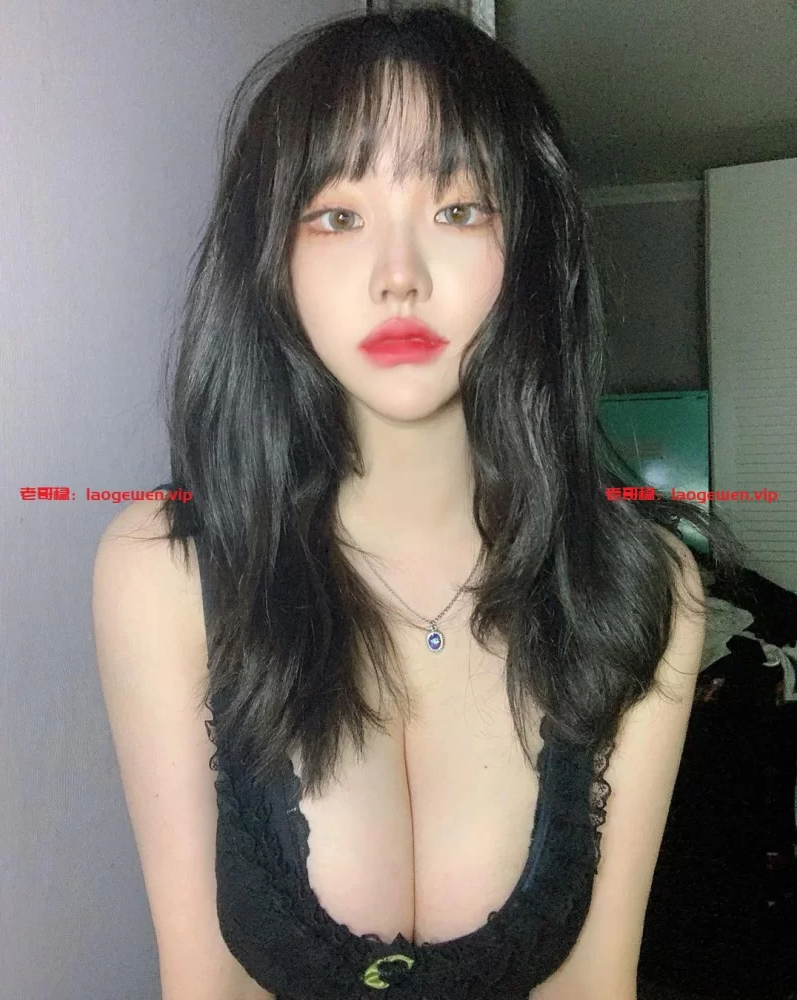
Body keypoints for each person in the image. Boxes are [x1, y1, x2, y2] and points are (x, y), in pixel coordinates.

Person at [92, 6, 744, 1000]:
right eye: (337, 216)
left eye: (458, 209)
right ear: (272, 258)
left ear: (530, 246)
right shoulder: (161, 570)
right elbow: (205, 982)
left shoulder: (643, 588)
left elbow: (593, 985)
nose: (398, 276)